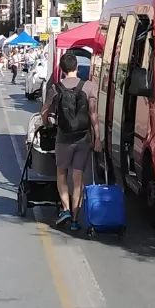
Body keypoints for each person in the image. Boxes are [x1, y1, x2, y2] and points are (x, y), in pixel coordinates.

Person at [42, 50, 97, 232]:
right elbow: (93, 114)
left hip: (63, 138)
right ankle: (75, 218)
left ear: (63, 69)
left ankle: (65, 208)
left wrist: (46, 123)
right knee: (78, 177)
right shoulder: (88, 86)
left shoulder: (56, 88)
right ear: (77, 67)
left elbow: (45, 111)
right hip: (83, 138)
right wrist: (97, 137)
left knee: (61, 173)